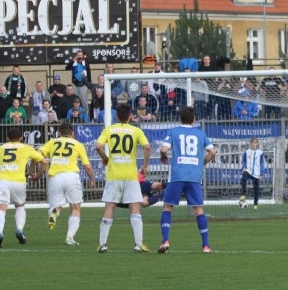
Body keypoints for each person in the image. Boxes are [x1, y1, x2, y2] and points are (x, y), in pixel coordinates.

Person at [157, 106, 216, 254]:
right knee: (198, 210)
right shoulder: (200, 133)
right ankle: (206, 246)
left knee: (167, 207)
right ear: (194, 119)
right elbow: (212, 152)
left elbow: (164, 149)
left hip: (177, 175)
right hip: (194, 177)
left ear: (180, 118)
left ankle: (165, 240)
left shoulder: (174, 131)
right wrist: (201, 162)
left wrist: (163, 156)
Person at [95, 104, 152, 253]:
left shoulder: (109, 130)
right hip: (130, 175)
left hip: (114, 175)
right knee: (134, 207)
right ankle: (138, 244)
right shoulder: (136, 130)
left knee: (109, 208)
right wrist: (145, 166)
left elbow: (98, 146)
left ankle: (102, 244)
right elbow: (147, 147)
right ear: (130, 117)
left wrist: (105, 158)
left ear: (116, 117)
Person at [34, 121, 95, 246]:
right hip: (71, 176)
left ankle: (54, 214)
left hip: (55, 177)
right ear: (73, 133)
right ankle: (69, 237)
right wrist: (91, 178)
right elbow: (87, 166)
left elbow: (37, 155)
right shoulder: (77, 144)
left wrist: (38, 172)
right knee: (75, 208)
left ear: (59, 133)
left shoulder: (52, 142)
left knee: (56, 207)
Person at [0, 127, 44, 248]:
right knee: (20, 206)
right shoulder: (26, 148)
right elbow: (44, 161)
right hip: (19, 181)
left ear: (7, 138)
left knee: (1, 209)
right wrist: (35, 174)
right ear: (21, 138)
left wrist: (1, 168)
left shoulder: (0, 148)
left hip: (2, 181)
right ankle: (19, 229)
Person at [239, 137, 265, 209]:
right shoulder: (247, 152)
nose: (253, 144)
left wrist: (261, 174)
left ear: (257, 144)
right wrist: (244, 167)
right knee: (243, 178)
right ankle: (243, 194)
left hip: (256, 173)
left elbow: (262, 164)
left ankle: (255, 204)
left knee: (256, 189)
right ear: (250, 144)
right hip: (248, 171)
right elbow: (244, 161)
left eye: (255, 142)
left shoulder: (260, 153)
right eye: (252, 143)